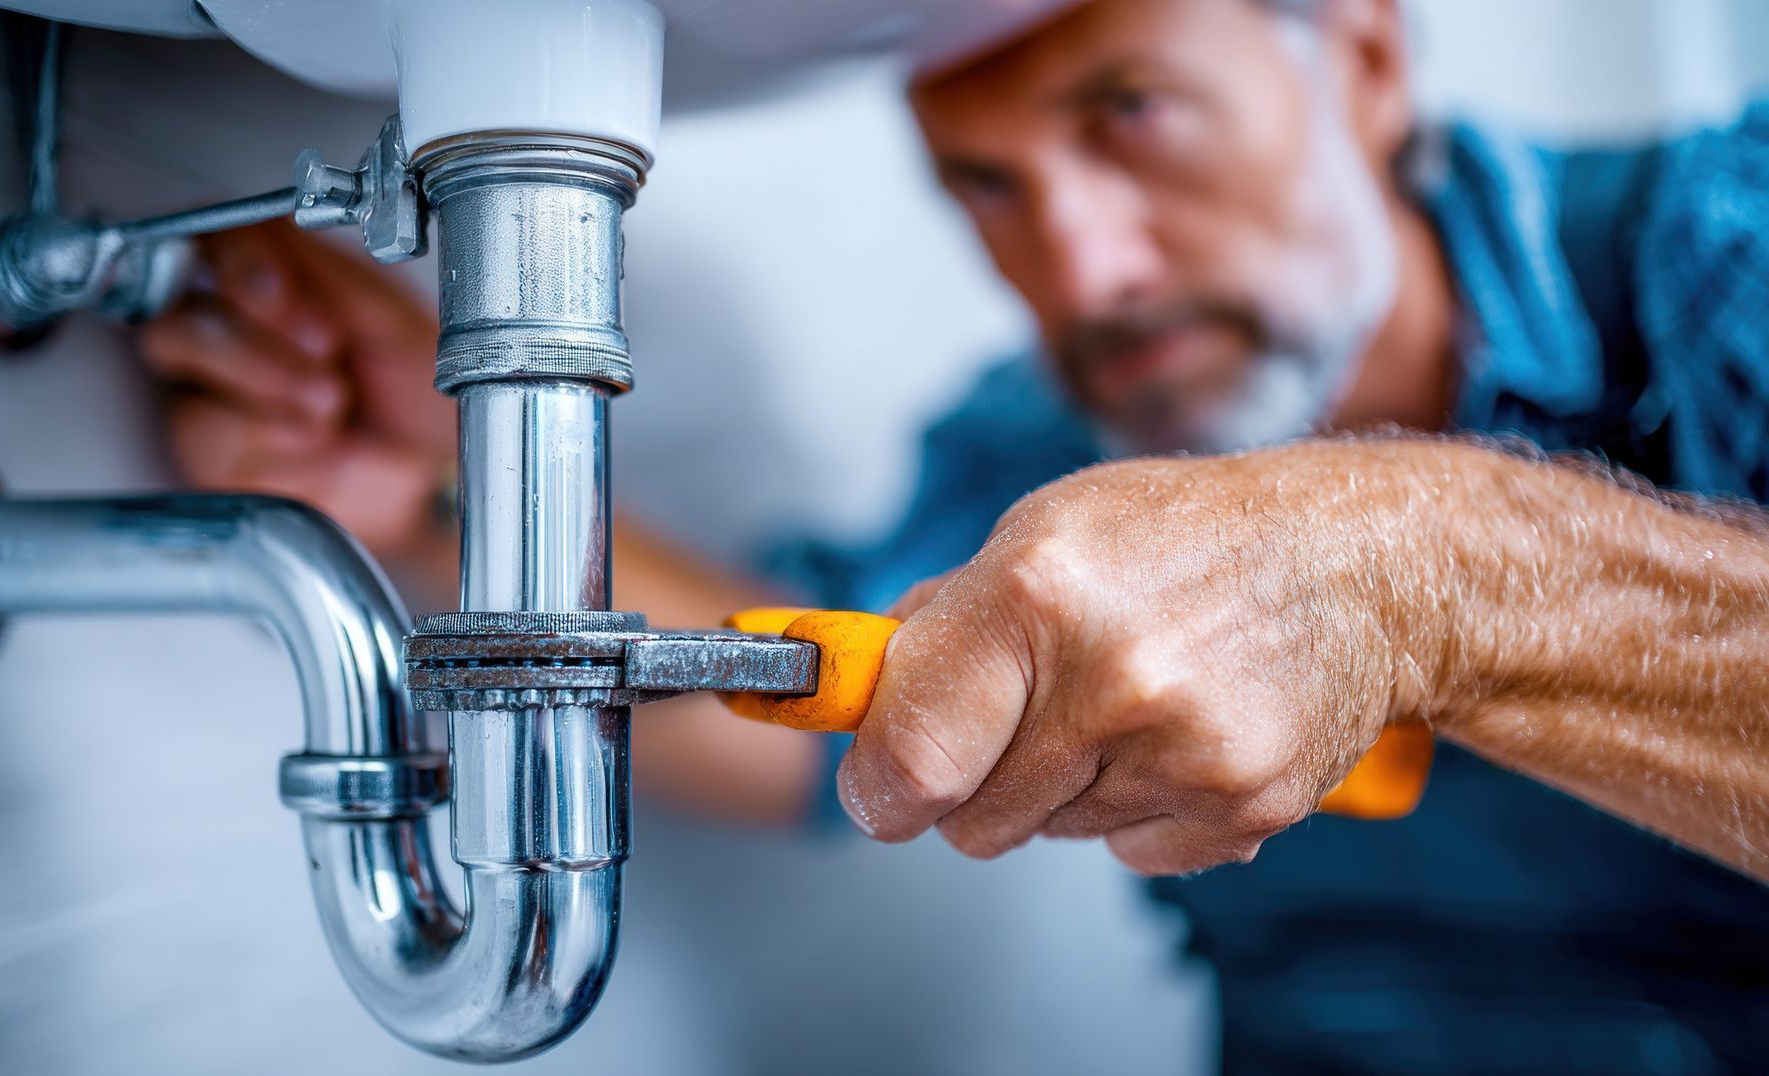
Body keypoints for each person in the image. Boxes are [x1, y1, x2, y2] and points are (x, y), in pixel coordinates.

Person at [138, 0, 1769, 1069]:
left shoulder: (1730, 234)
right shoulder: (1045, 445)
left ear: (1361, 59)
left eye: (1131, 111)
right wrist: (436, 488)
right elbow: (814, 733)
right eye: (985, 185)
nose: (1082, 266)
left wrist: (1426, 571)